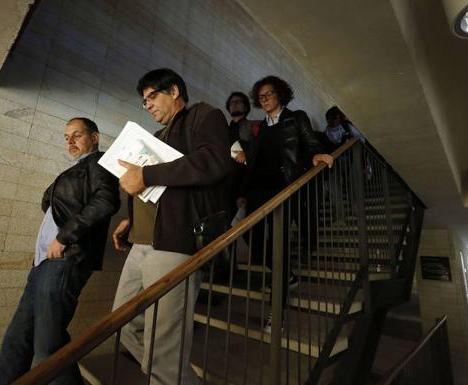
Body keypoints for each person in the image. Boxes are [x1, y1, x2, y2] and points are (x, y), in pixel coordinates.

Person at [111, 68, 232, 385]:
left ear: (175, 91)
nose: (147, 105)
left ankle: (168, 376)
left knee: (164, 347)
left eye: (152, 96)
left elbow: (214, 161)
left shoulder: (204, 116)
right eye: (144, 101)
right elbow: (153, 192)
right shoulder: (156, 137)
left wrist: (147, 176)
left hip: (174, 243)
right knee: (123, 325)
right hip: (142, 242)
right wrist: (132, 219)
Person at [0, 118, 121, 385]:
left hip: (65, 259)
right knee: (18, 338)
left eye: (77, 135)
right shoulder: (77, 168)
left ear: (95, 137)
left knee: (48, 346)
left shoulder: (99, 163)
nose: (70, 141)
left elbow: (107, 201)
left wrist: (64, 237)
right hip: (43, 263)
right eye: (66, 137)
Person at [242, 76, 333, 332]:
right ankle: (288, 275)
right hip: (258, 192)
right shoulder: (259, 127)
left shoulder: (296, 117)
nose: (264, 99)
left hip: (284, 189)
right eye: (260, 96)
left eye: (269, 94)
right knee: (253, 239)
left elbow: (310, 141)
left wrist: (316, 153)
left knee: (279, 249)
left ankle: (276, 314)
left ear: (280, 94)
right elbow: (256, 160)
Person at [225, 91, 256, 224]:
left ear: (245, 107)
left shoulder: (254, 126)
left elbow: (258, 154)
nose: (234, 105)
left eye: (238, 102)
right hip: (227, 184)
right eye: (232, 103)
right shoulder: (224, 130)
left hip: (246, 183)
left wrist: (244, 193)